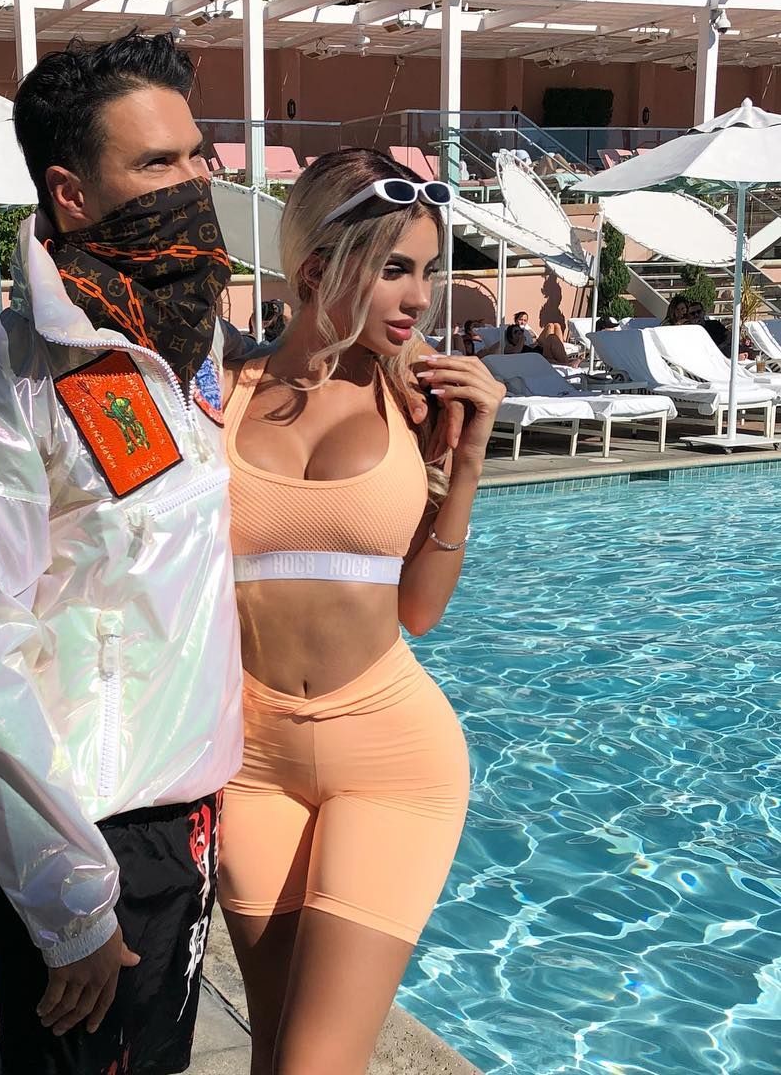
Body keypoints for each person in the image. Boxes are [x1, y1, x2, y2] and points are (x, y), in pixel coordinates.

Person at [0, 31, 248, 1075]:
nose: (192, 184)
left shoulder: (181, 345)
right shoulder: (4, 386)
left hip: (182, 813)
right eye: (156, 163)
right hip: (89, 832)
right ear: (71, 196)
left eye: (197, 155)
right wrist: (69, 901)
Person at [217, 147, 505, 1075]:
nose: (421, 297)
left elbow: (419, 612)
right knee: (275, 1053)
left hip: (391, 760)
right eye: (394, 270)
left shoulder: (416, 403)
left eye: (428, 270)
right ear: (314, 273)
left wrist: (466, 463)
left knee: (315, 1065)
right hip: (247, 761)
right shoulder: (218, 395)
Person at [484, 322, 580, 366]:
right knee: (551, 338)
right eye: (516, 332)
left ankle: (567, 363)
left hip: (541, 354)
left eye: (520, 331)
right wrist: (521, 340)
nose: (519, 333)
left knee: (552, 337)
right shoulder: (509, 347)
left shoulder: (525, 345)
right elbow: (515, 353)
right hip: (538, 360)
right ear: (510, 337)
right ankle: (567, 364)